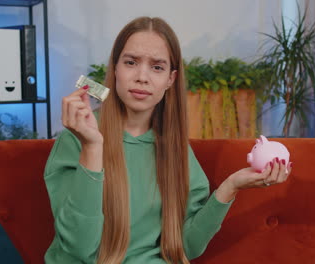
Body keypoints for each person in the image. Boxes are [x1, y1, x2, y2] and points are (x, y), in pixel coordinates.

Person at [44, 16, 292, 264]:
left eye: (157, 67)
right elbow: (79, 247)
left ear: (170, 80)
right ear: (115, 69)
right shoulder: (75, 140)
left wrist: (231, 186)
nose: (142, 77)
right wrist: (92, 147)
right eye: (131, 62)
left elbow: (186, 246)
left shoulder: (176, 149)